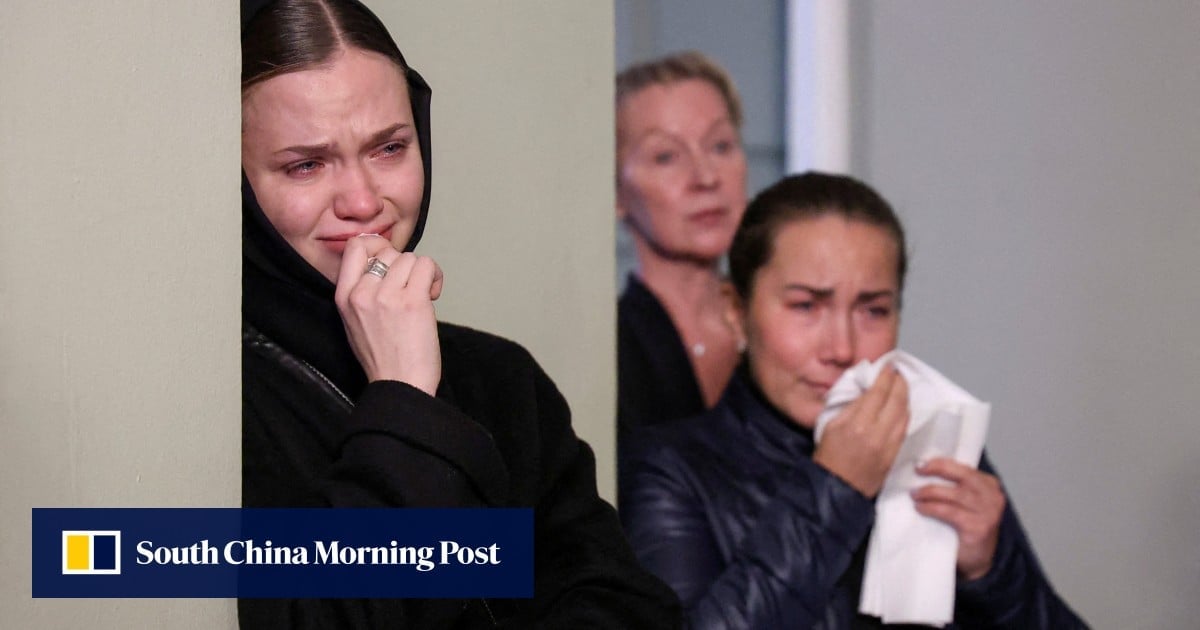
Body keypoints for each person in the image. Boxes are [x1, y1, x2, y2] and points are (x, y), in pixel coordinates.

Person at [239, 0, 680, 627]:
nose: (365, 201)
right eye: (306, 165)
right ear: (238, 183)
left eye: (389, 148)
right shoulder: (216, 412)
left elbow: (627, 607)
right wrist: (403, 397)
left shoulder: (500, 380)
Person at [619, 172, 1088, 628]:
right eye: (806, 306)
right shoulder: (669, 469)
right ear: (736, 311)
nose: (841, 349)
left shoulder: (935, 448)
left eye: (873, 311)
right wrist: (835, 488)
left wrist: (995, 574)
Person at [615, 51, 749, 440]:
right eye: (666, 156)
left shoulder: (787, 331)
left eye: (721, 146)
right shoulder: (610, 352)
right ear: (617, 191)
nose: (706, 177)